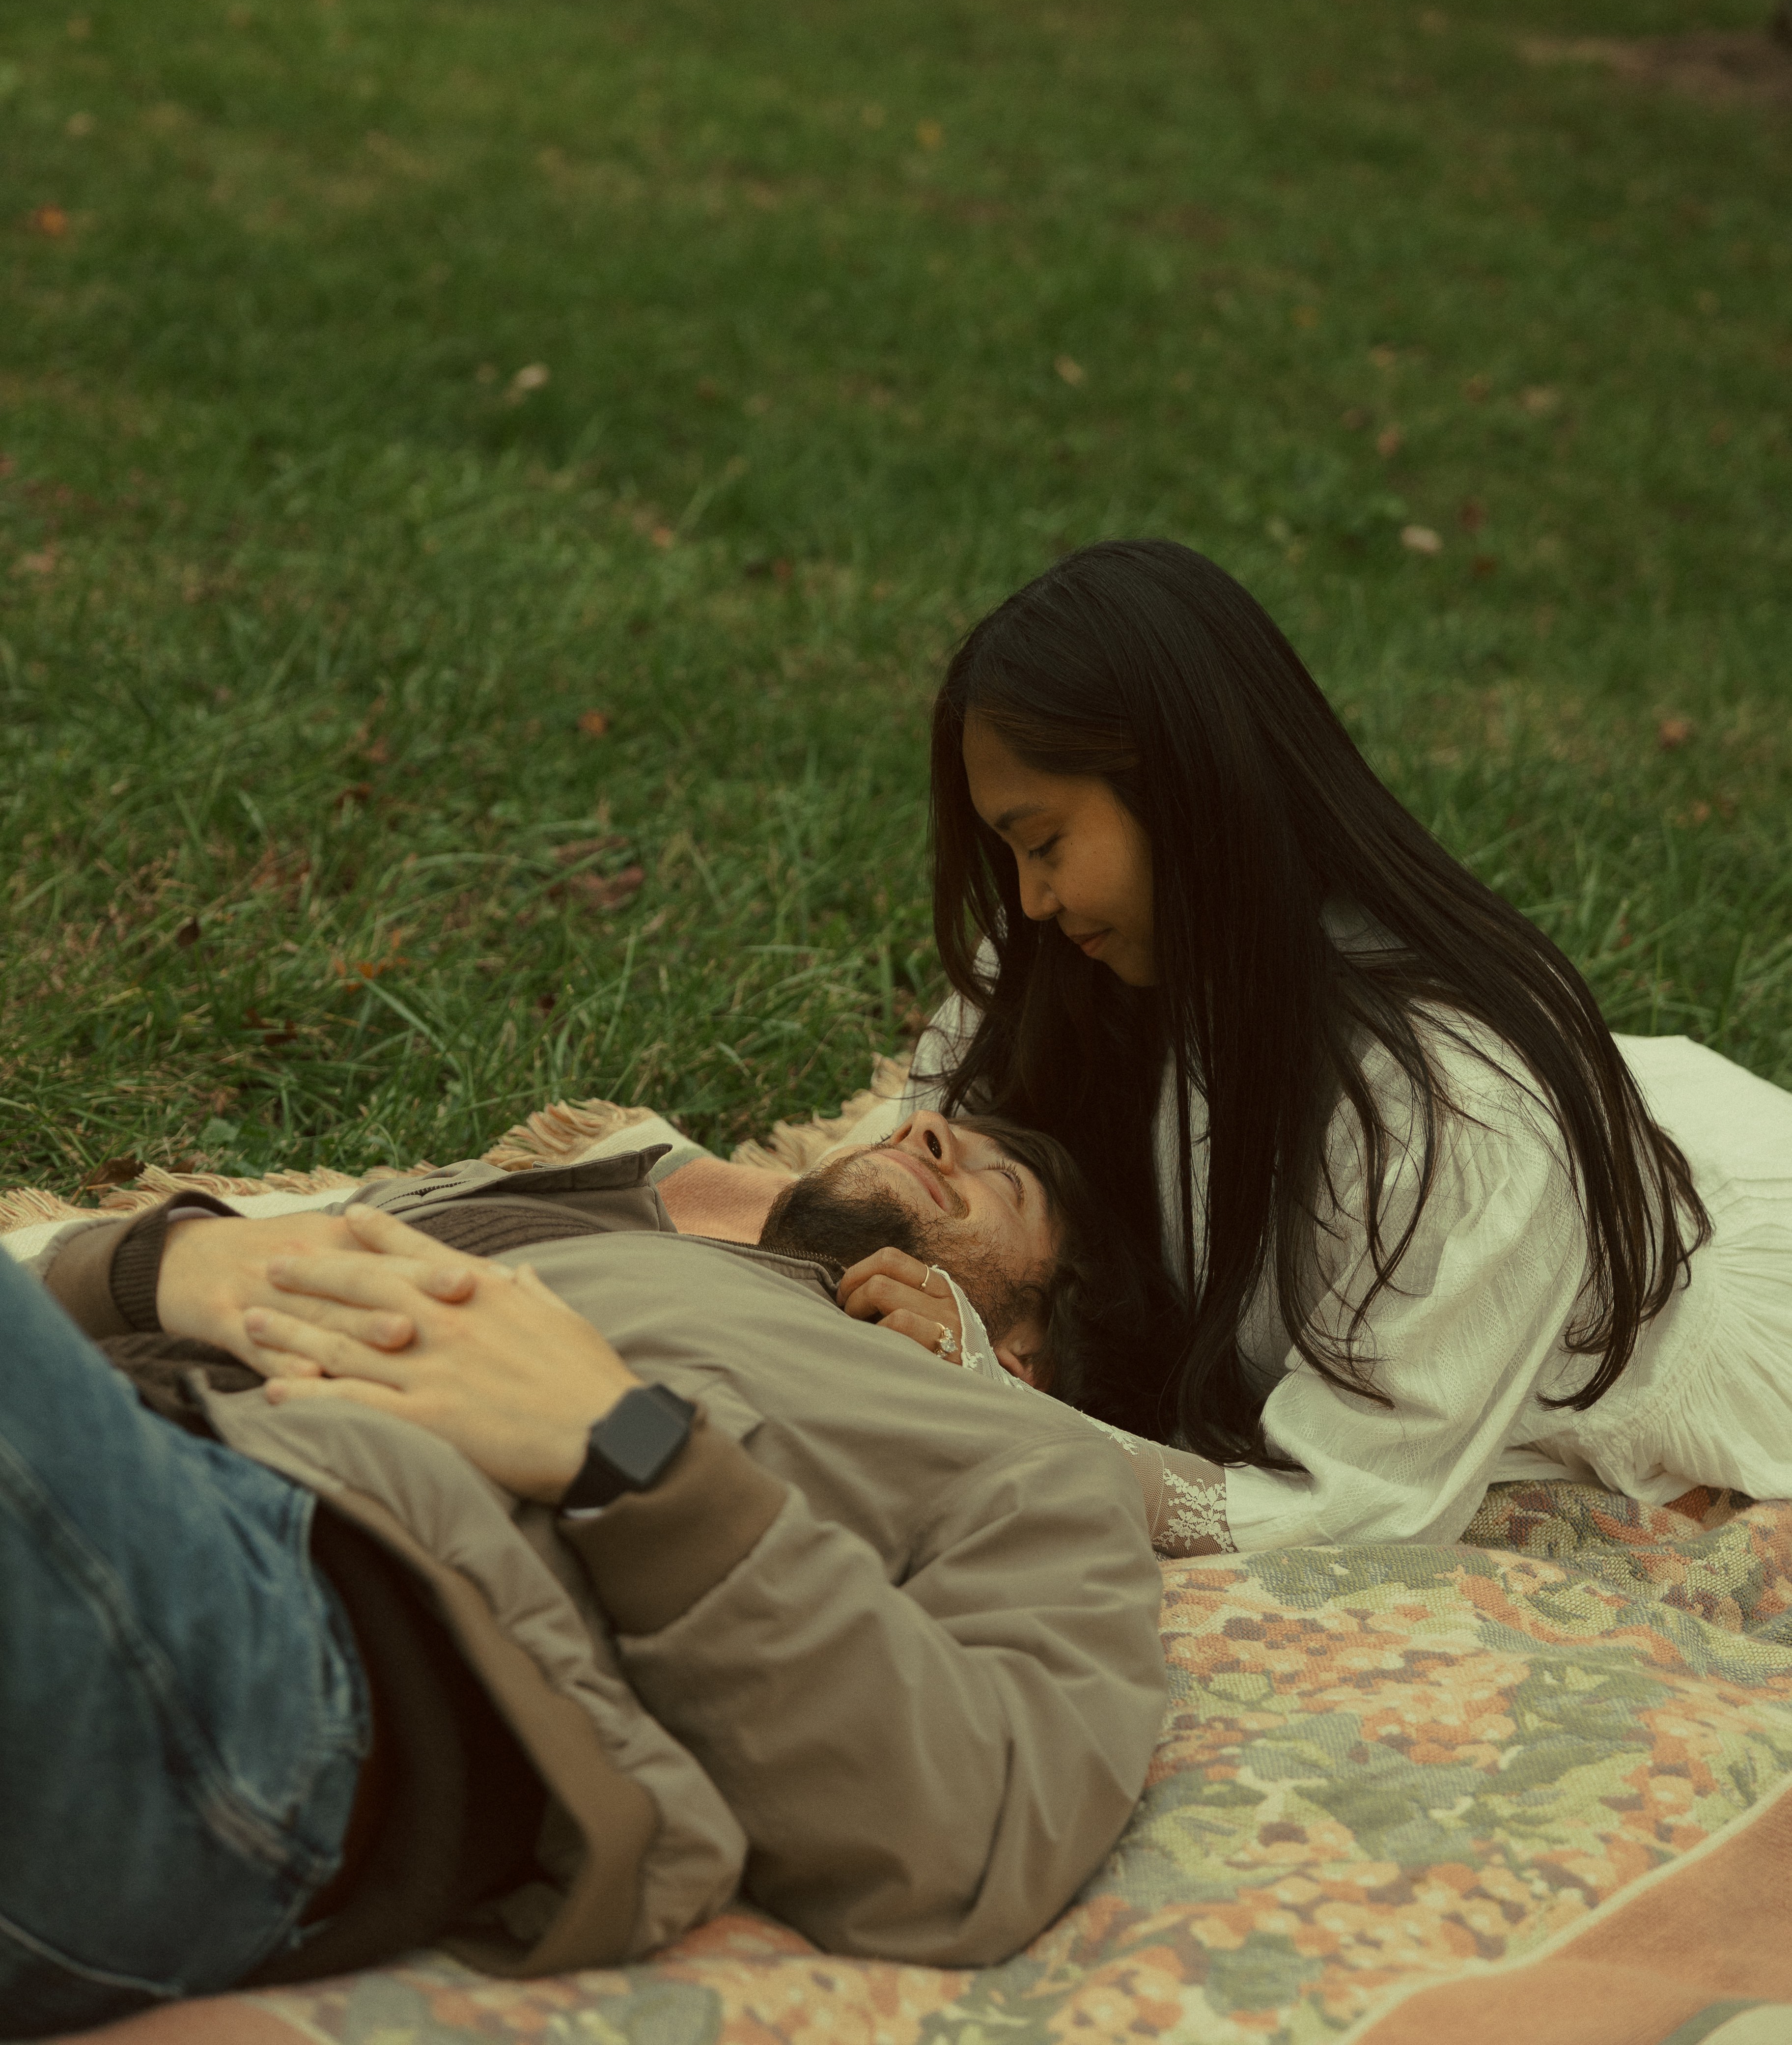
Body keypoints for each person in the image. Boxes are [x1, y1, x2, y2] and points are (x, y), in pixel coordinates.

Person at [3, 1113, 1166, 2037]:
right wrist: (163, 1257)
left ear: (1034, 1349)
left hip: (282, 1655)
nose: (931, 1137)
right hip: (137, 1451)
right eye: (938, 1127)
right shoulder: (618, 1232)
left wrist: (632, 1457)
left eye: (997, 1182)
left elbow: (993, 1825)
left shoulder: (1034, 1453)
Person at [894, 535, 1792, 1557]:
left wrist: (1018, 1427)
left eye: (1046, 844)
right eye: (1010, 852)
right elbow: (933, 1139)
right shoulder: (1080, 961)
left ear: (1182, 791)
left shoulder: (1462, 1120)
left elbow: (1361, 1509)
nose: (1030, 900)